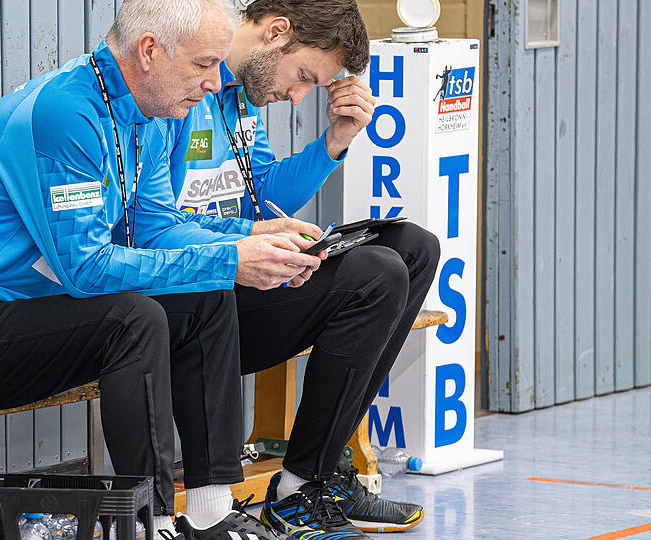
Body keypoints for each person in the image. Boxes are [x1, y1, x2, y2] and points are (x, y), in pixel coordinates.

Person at [0, 1, 320, 539]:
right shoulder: (67, 112)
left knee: (206, 296)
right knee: (133, 320)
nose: (213, 83)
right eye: (203, 64)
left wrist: (250, 240)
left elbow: (154, 227)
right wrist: (230, 259)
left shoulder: (150, 114)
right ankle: (148, 522)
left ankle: (209, 511)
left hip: (15, 309)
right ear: (150, 50)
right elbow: (86, 270)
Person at [142, 0, 440, 537]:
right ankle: (301, 486)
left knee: (414, 247)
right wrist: (248, 237)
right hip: (194, 303)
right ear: (276, 32)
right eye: (303, 76)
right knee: (376, 273)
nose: (297, 95)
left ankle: (313, 479)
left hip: (241, 282)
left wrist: (335, 142)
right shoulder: (179, 91)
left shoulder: (241, 103)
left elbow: (264, 193)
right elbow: (153, 224)